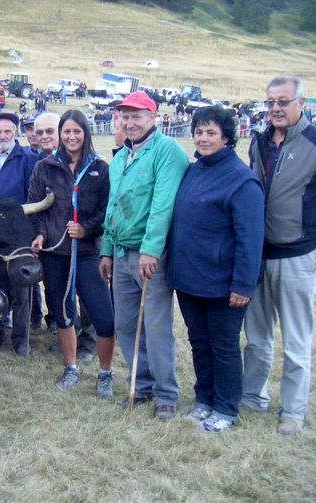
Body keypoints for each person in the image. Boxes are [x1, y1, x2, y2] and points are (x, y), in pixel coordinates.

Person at [241, 76, 316, 436]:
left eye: (283, 101)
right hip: (259, 256)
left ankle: (293, 410)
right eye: (271, 101)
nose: (275, 108)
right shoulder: (258, 142)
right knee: (256, 337)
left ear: (301, 103)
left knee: (296, 341)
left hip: (298, 257)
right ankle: (252, 396)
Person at [167, 106, 265, 433]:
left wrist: (243, 285)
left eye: (211, 132)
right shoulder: (194, 170)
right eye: (199, 131)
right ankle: (204, 399)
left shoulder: (242, 181)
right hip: (189, 279)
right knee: (199, 342)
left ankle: (225, 407)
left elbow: (251, 239)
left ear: (226, 137)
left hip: (223, 285)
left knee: (223, 346)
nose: (203, 138)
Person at [98, 91, 189, 421]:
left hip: (150, 257)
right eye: (125, 116)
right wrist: (106, 250)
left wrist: (151, 249)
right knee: (125, 324)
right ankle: (142, 385)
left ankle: (166, 394)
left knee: (155, 326)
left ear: (153, 117)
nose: (130, 122)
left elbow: (163, 205)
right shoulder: (121, 157)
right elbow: (113, 206)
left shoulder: (167, 151)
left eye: (137, 116)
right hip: (121, 254)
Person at [29, 110, 115, 396]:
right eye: (66, 131)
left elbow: (107, 211)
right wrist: (40, 234)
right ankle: (71, 367)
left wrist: (86, 229)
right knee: (63, 315)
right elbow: (36, 207)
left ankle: (105, 373)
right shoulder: (45, 167)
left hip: (88, 253)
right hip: (55, 254)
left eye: (77, 131)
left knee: (104, 317)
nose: (71, 136)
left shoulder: (100, 168)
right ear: (60, 134)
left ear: (85, 133)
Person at [0, 112, 38, 355]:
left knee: (21, 284)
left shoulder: (29, 159)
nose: (2, 136)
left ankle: (21, 339)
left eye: (7, 131)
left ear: (16, 132)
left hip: (17, 232)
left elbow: (34, 194)